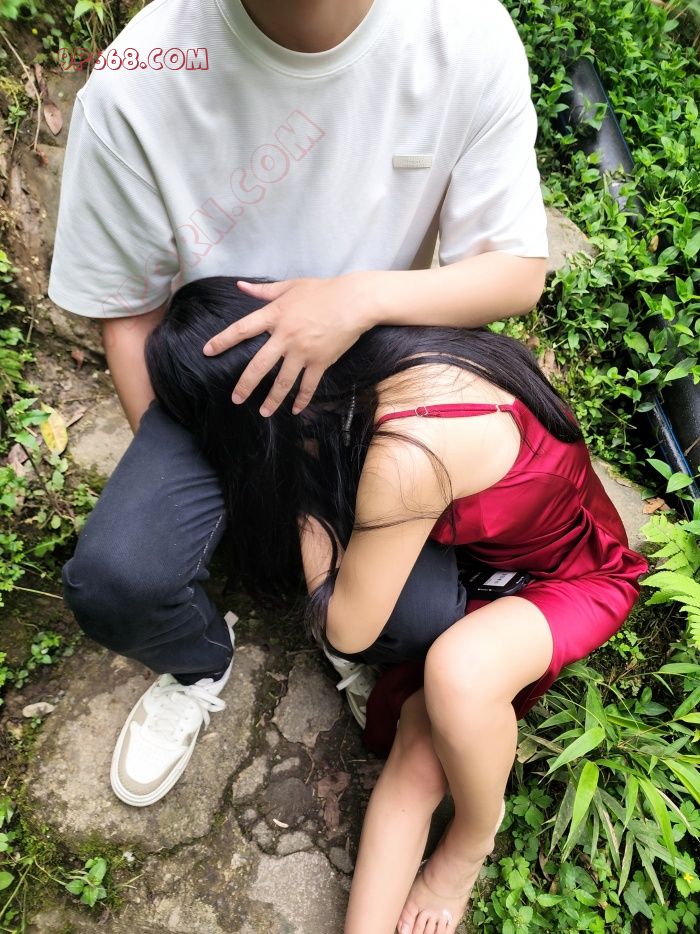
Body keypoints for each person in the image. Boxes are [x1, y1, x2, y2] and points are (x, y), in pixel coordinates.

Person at [47, 0, 550, 807]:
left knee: (419, 620)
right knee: (117, 581)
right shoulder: (139, 80)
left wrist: (356, 299)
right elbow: (128, 309)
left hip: (373, 369)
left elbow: (515, 270)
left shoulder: (463, 30)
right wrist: (229, 466)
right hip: (224, 378)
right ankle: (199, 662)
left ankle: (342, 623)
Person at [144, 276, 648, 934]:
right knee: (422, 735)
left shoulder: (406, 457)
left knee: (457, 676)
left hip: (571, 575)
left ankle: (471, 841)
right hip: (488, 557)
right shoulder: (384, 352)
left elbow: (347, 626)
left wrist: (293, 489)